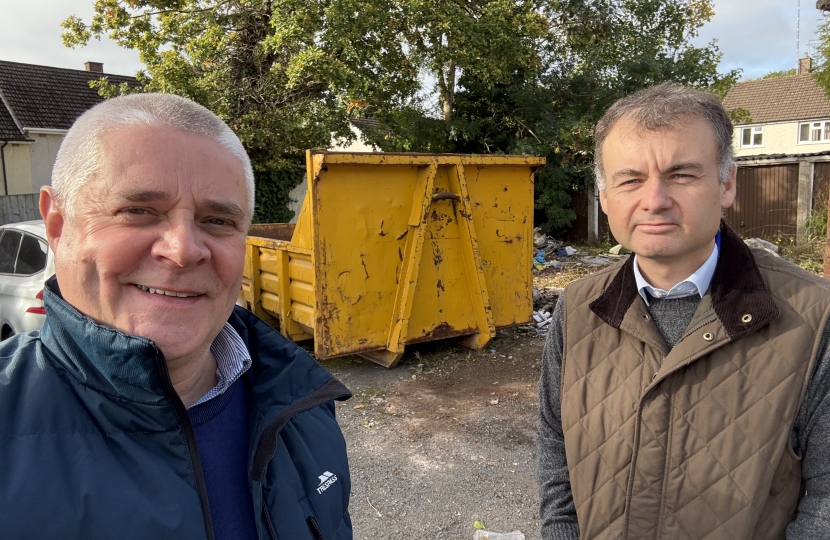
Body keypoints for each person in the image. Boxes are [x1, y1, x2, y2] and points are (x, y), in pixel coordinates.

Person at [0, 93, 353, 540]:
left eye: (218, 220)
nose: (184, 249)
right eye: (139, 211)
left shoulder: (304, 410)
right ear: (57, 223)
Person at [537, 83, 830, 539]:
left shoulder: (813, 317)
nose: (654, 200)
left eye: (681, 174)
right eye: (630, 179)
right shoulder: (577, 308)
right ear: (605, 197)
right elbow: (558, 453)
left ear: (727, 183)